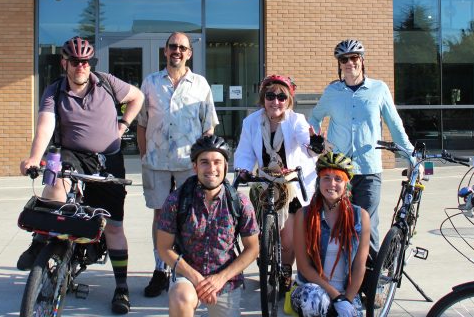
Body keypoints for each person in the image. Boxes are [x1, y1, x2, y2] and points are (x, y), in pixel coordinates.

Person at [18, 36, 144, 314]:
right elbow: (45, 126)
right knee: (54, 187)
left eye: (85, 62)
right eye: (75, 61)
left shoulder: (107, 83)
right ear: (65, 63)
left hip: (108, 159)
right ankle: (41, 242)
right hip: (71, 154)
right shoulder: (54, 91)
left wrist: (122, 125)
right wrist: (33, 157)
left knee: (113, 226)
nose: (81, 66)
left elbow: (138, 97)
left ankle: (121, 287)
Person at [309, 39, 414, 253]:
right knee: (334, 222)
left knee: (366, 224)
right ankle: (337, 272)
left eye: (354, 58)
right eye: (344, 59)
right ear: (339, 64)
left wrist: (412, 156)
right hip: (338, 170)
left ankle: (371, 277)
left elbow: (395, 125)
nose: (349, 63)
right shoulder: (332, 92)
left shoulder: (379, 89)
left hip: (368, 169)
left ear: (362, 60)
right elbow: (313, 119)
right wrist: (320, 142)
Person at [136, 32, 219, 297]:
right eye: (173, 46)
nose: (177, 51)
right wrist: (144, 155)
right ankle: (160, 270)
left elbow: (209, 127)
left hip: (188, 164)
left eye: (183, 47)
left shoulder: (200, 84)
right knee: (161, 216)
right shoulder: (149, 83)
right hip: (157, 163)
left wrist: (205, 164)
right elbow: (141, 124)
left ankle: (187, 269)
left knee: (190, 216)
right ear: (165, 51)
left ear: (189, 53)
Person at [156, 135, 259, 317]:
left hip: (225, 280)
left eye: (217, 162)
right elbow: (163, 248)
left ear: (226, 166)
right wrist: (196, 278)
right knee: (181, 298)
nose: (211, 168)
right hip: (187, 275)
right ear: (195, 166)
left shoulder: (240, 202)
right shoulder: (177, 200)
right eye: (204, 162)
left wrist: (220, 279)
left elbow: (252, 248)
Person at [234, 74, 317, 295]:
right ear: (263, 98)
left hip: (291, 185)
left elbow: (307, 143)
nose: (276, 101)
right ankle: (265, 262)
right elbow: (244, 152)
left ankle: (285, 272)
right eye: (270, 96)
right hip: (263, 182)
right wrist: (243, 169)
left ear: (288, 100)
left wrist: (315, 143)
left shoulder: (296, 120)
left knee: (288, 237)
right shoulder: (251, 122)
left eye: (282, 96)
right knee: (258, 232)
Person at [291, 152, 370, 317]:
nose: (331, 183)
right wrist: (336, 296)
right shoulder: (303, 215)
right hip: (312, 289)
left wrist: (346, 299)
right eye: (326, 177)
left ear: (346, 183)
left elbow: (359, 267)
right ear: (319, 181)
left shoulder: (360, 216)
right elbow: (304, 267)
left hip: (347, 294)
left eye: (338, 179)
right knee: (314, 301)